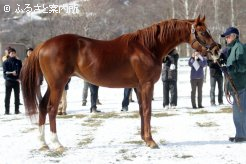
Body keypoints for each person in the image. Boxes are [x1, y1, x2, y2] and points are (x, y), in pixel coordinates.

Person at [221, 27, 246, 142]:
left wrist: (230, 68)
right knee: (237, 113)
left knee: (241, 112)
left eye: (228, 36)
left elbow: (242, 66)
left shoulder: (239, 48)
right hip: (234, 86)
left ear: (235, 36)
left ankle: (243, 135)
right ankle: (239, 134)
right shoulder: (230, 49)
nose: (226, 39)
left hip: (241, 85)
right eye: (226, 37)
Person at [2, 48, 22, 114]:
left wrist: (19, 78)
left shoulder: (18, 62)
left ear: (15, 53)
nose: (12, 54)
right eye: (11, 53)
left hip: (17, 81)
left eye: (14, 53)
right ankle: (7, 111)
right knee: (7, 96)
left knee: (17, 96)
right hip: (9, 82)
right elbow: (5, 74)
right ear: (9, 54)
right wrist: (11, 73)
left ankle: (17, 110)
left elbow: (21, 72)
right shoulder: (5, 62)